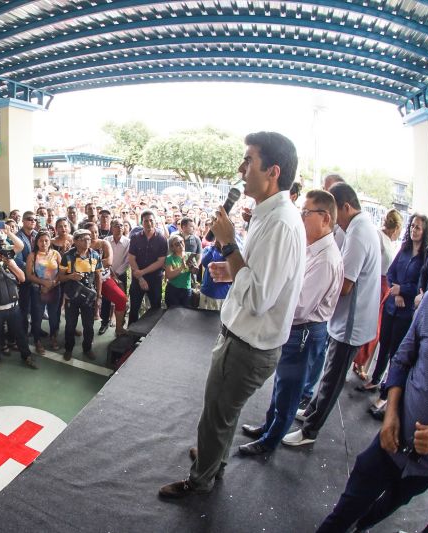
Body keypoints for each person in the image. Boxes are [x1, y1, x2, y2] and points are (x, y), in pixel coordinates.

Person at [159, 131, 305, 498]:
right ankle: (215, 455)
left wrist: (227, 244)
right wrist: (232, 266)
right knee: (224, 413)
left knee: (215, 415)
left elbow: (257, 298)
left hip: (247, 346)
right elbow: (254, 278)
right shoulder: (269, 215)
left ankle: (200, 478)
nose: (241, 168)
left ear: (272, 171)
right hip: (242, 339)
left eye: (248, 160)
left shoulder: (281, 224)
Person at [316, 245, 428, 532]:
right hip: (389, 440)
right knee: (342, 514)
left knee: (373, 517)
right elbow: (402, 360)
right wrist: (390, 415)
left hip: (426, 467)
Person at [238, 190, 343, 455]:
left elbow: (300, 306)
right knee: (282, 385)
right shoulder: (313, 248)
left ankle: (269, 442)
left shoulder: (327, 259)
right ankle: (268, 427)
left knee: (289, 390)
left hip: (305, 331)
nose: (301, 217)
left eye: (306, 212)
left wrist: (269, 299)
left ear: (325, 218)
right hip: (299, 330)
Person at [285, 182, 381, 447]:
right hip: (346, 318)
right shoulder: (358, 227)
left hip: (352, 321)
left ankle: (310, 432)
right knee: (328, 373)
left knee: (332, 378)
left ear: (345, 207)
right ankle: (312, 410)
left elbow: (346, 284)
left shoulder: (359, 231)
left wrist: (317, 288)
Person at [356, 214, 428, 392]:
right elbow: (390, 273)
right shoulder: (404, 248)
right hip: (391, 305)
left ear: (424, 231)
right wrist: (394, 291)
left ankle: (388, 387)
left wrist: (402, 290)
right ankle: (375, 379)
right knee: (383, 342)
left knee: (396, 350)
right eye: (412, 226)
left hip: (405, 311)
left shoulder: (426, 256)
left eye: (418, 227)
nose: (413, 229)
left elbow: (421, 284)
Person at [352, 209, 404, 381]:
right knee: (372, 326)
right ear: (396, 227)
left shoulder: (389, 241)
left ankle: (360, 362)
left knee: (376, 327)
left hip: (384, 286)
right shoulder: (379, 237)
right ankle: (358, 361)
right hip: (377, 284)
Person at [0, 239, 37, 372]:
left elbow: (22, 278)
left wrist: (10, 264)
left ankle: (26, 356)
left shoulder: (8, 260)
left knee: (20, 333)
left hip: (13, 306)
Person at [58, 229, 102, 361]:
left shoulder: (94, 256)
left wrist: (99, 296)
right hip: (72, 296)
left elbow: (99, 277)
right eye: (84, 239)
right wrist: (71, 276)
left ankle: (87, 348)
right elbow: (60, 277)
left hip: (88, 297)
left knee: (88, 325)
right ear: (75, 241)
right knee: (70, 325)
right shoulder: (67, 256)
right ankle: (68, 349)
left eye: (89, 239)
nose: (88, 241)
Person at [127, 210, 167, 323]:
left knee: (155, 309)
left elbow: (161, 261)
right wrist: (140, 278)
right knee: (134, 308)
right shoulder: (135, 237)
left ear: (155, 221)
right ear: (141, 222)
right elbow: (131, 258)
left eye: (151, 220)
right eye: (146, 221)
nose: (149, 223)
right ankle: (131, 336)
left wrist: (142, 272)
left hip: (154, 279)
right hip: (137, 278)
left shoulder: (161, 239)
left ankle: (152, 336)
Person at [88, 222, 127, 336]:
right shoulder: (80, 245)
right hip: (86, 282)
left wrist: (89, 264)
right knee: (88, 312)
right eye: (91, 232)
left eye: (95, 232)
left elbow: (108, 262)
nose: (94, 235)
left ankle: (119, 328)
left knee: (122, 299)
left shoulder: (104, 243)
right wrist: (98, 263)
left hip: (104, 278)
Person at [27, 231, 62, 353]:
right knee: (37, 316)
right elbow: (29, 275)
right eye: (41, 240)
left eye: (46, 240)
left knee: (54, 316)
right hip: (38, 290)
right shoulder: (32, 255)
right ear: (37, 242)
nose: (44, 243)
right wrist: (43, 283)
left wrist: (52, 284)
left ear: (50, 241)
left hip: (54, 289)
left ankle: (53, 337)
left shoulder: (56, 254)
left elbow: (61, 272)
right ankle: (37, 341)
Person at [102, 219, 130, 336]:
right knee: (106, 300)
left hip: (120, 275)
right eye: (116, 225)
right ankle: (104, 322)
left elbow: (127, 260)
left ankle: (120, 324)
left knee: (121, 299)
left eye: (121, 226)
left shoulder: (128, 242)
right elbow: (103, 258)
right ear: (111, 228)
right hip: (106, 275)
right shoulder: (106, 241)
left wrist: (117, 273)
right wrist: (110, 272)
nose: (119, 228)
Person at [164, 234, 196, 308]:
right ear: (172, 247)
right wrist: (182, 267)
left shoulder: (189, 255)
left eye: (182, 242)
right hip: (173, 290)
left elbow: (195, 272)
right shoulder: (170, 258)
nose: (181, 245)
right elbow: (169, 276)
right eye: (177, 244)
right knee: (173, 314)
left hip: (187, 289)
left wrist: (192, 268)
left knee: (185, 314)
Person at [198, 242, 230, 310]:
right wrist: (214, 247)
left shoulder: (231, 251)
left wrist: (227, 248)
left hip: (224, 294)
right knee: (203, 318)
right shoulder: (209, 249)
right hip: (208, 293)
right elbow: (204, 262)